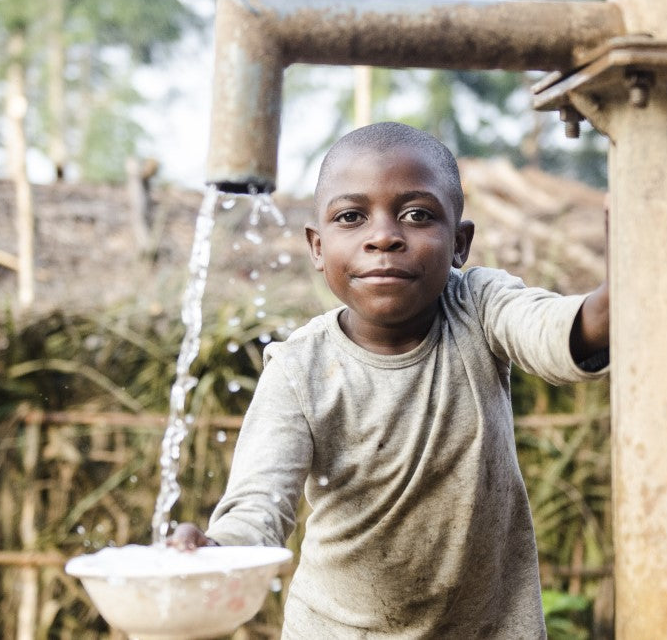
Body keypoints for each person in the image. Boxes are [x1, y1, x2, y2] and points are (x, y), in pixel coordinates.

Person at [172, 122, 609, 638]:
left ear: (460, 243)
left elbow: (561, 332)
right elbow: (258, 506)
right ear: (317, 246)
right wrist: (216, 552)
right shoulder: (299, 370)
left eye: (418, 215)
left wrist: (630, 270)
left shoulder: (480, 307)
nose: (383, 237)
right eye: (351, 217)